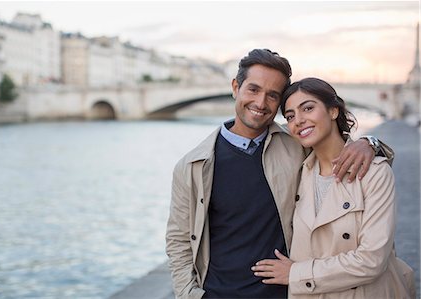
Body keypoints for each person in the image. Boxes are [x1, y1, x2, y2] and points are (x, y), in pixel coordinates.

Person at [165, 49, 393, 299]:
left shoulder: (296, 146)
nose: (261, 103)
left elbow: (334, 146)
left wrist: (370, 143)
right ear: (235, 87)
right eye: (253, 89)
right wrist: (189, 294)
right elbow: (179, 240)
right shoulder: (193, 166)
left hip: (288, 292)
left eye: (272, 95)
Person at [252, 77, 415, 298]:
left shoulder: (374, 173)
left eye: (308, 108)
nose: (298, 120)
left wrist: (296, 273)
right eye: (290, 116)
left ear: (333, 111)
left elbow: (372, 260)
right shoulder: (296, 171)